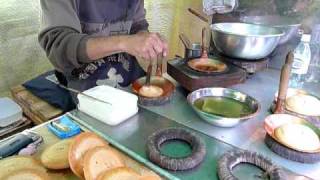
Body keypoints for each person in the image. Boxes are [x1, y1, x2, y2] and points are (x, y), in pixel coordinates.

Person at [38, 0, 168, 94]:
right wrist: (123, 42)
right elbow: (60, 46)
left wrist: (145, 39)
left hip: (125, 71)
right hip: (82, 77)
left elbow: (137, 24)